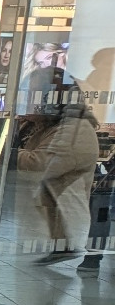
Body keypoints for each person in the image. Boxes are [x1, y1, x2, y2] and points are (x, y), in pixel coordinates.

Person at [16, 71, 102, 267]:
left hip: (65, 236)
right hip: (51, 235)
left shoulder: (75, 129)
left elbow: (39, 166)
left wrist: (9, 154)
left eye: (33, 95)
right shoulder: (48, 126)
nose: (28, 102)